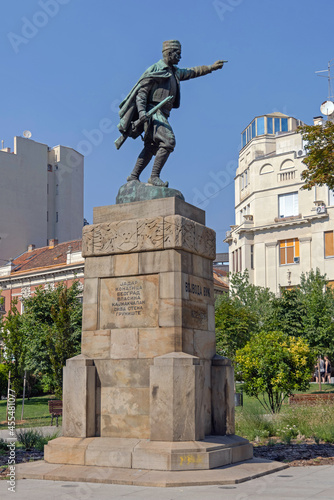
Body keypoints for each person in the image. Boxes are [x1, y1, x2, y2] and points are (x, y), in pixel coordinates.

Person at [117, 40, 226, 187]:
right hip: (153, 112)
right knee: (168, 141)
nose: (180, 57)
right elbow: (141, 93)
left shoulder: (174, 72)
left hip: (162, 114)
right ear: (169, 53)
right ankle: (154, 176)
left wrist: (211, 67)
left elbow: (192, 72)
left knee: (151, 146)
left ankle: (133, 176)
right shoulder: (155, 69)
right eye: (178, 54)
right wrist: (142, 111)